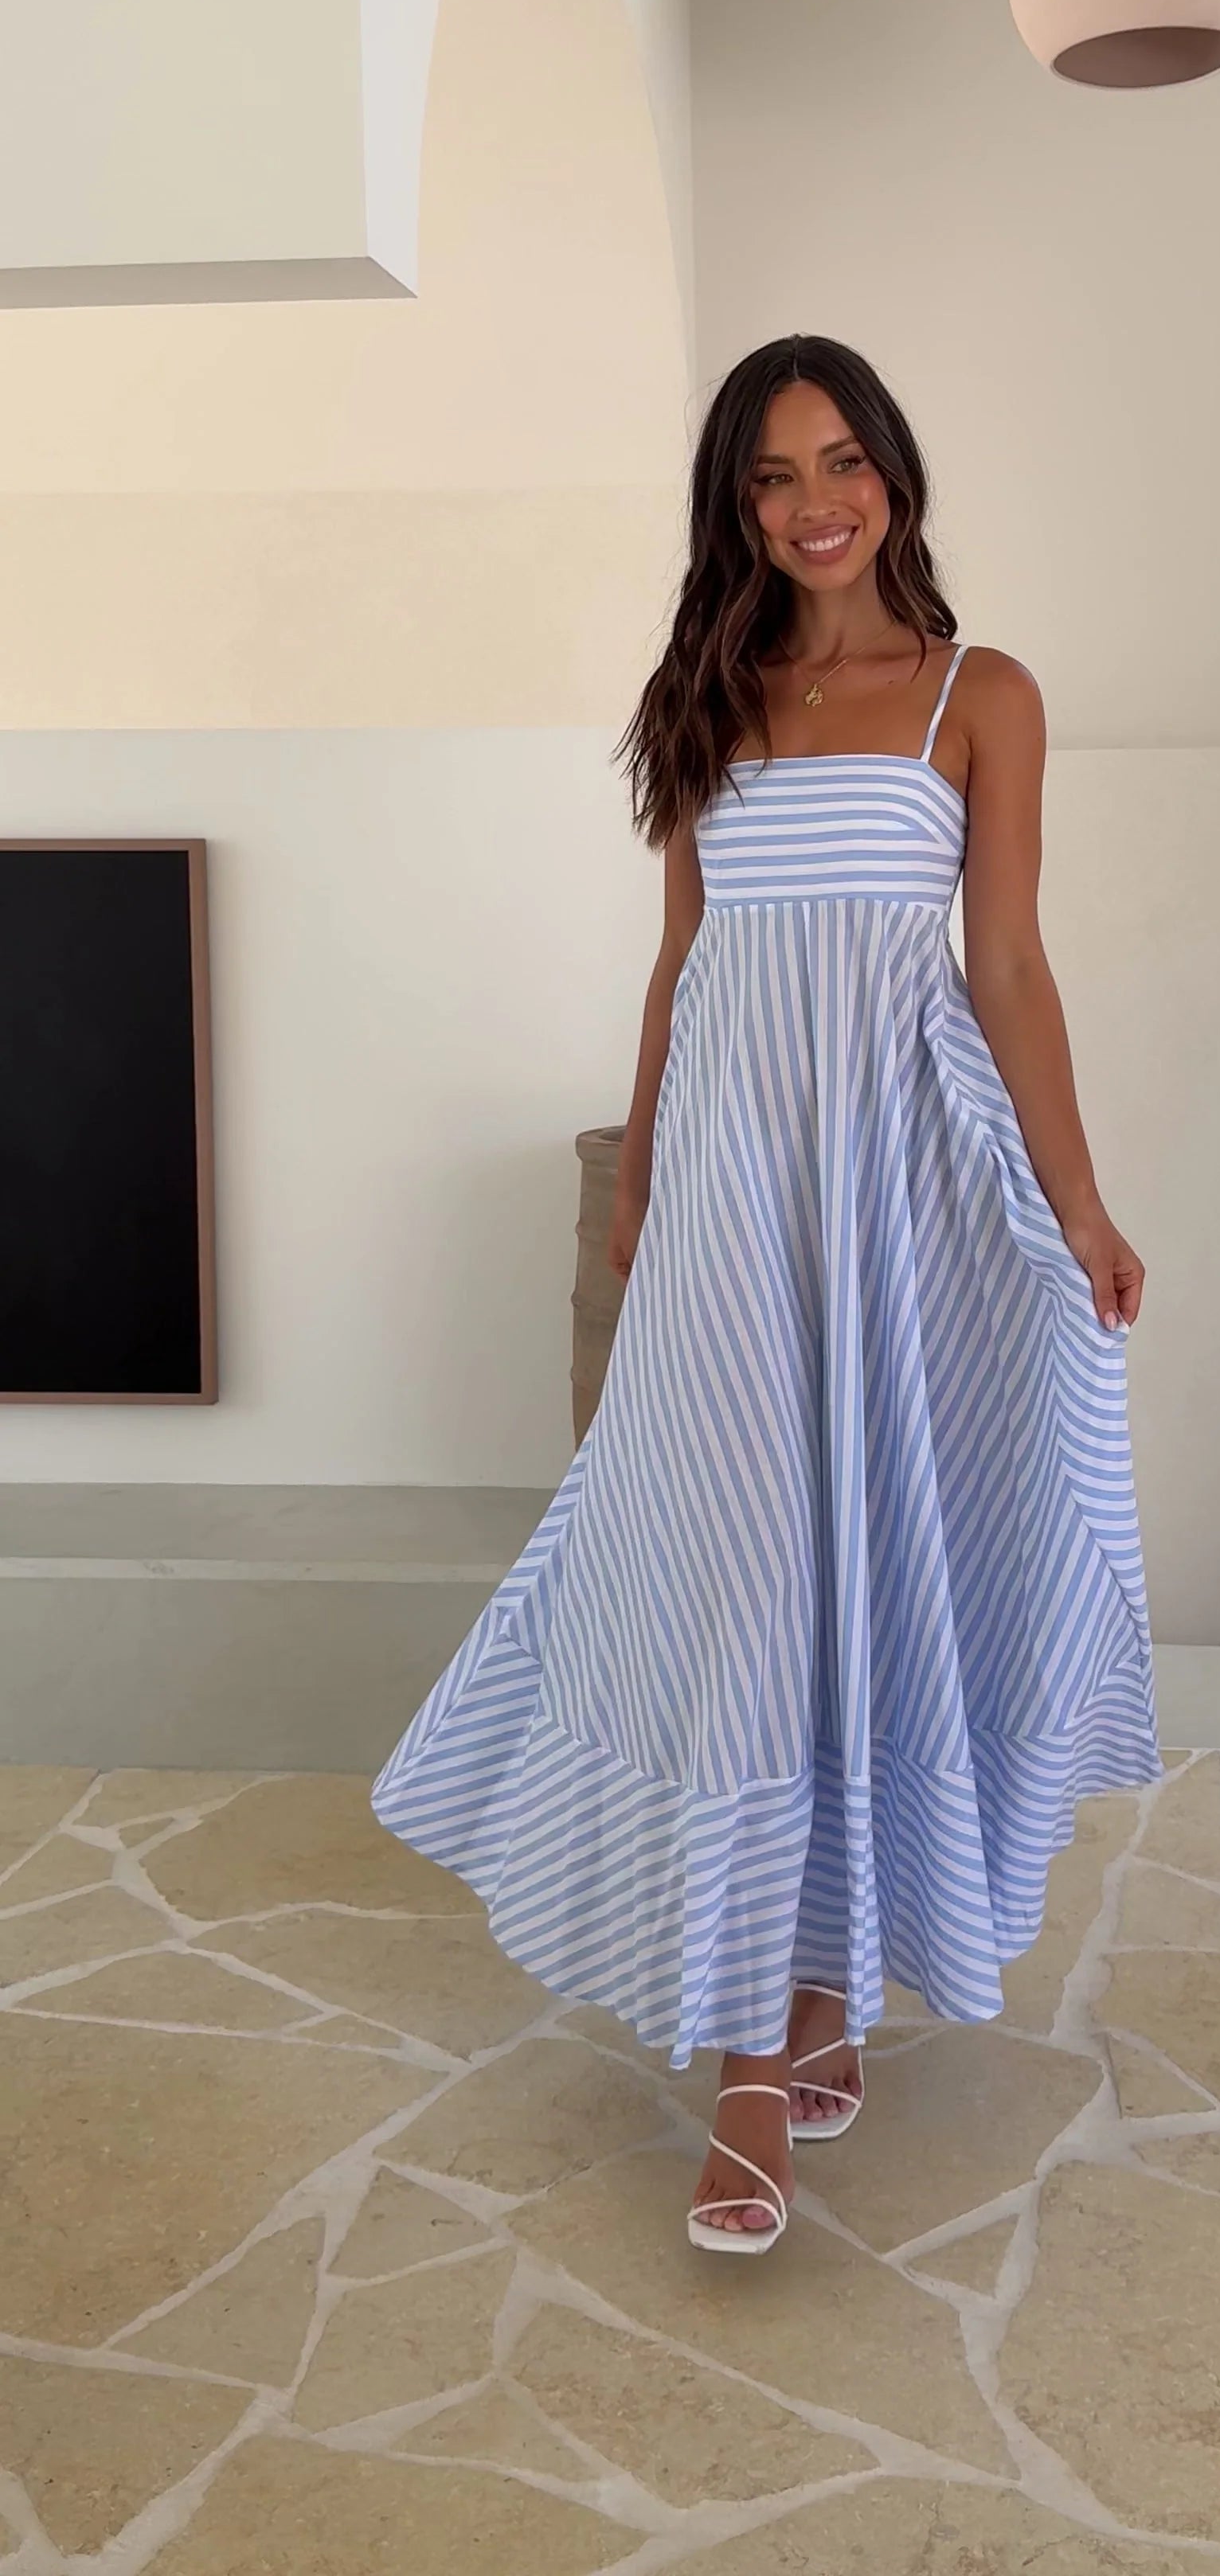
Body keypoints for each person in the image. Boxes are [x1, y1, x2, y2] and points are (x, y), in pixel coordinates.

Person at [372, 334, 1161, 2256]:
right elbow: (685, 963)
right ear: (736, 507)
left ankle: (810, 2000)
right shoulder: (705, 697)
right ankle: (756, 2039)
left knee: (868, 1563)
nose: (815, 504)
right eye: (772, 477)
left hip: (905, 1192)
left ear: (895, 475)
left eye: (842, 463)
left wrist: (1078, 1201)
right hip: (732, 1199)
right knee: (735, 1575)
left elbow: (1007, 966)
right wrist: (645, 1176)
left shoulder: (983, 695)